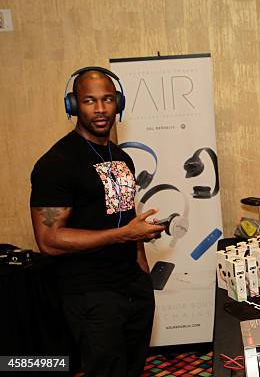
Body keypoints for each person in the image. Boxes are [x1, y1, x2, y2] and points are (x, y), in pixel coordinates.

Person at [30, 67, 167, 376]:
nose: (101, 108)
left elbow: (126, 220)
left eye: (107, 99)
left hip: (132, 285)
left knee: (132, 368)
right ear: (74, 105)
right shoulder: (56, 164)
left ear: (118, 102)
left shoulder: (121, 158)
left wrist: (142, 271)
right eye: (89, 100)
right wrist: (122, 234)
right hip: (90, 293)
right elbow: (49, 240)